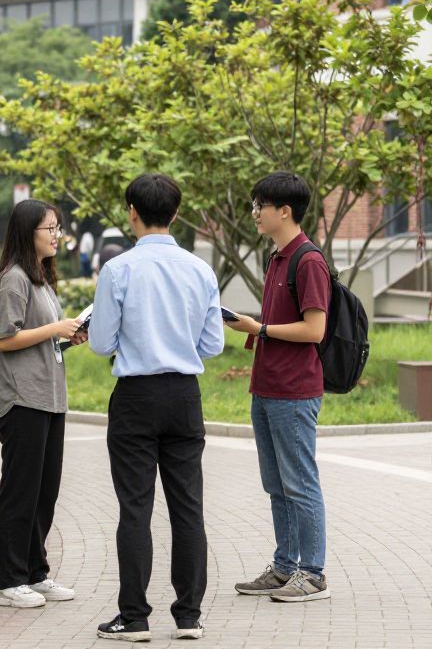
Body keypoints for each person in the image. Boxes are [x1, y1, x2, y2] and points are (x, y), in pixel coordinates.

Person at [89, 174, 224, 642]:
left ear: (132, 211)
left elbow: (102, 340)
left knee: (135, 508)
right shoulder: (200, 269)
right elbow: (213, 344)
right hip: (185, 395)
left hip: (136, 398)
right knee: (188, 508)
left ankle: (135, 617)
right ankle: (189, 616)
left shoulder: (118, 269)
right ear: (177, 212)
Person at [226, 171, 332, 603]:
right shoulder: (277, 258)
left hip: (294, 392)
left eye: (259, 205)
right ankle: (285, 566)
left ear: (283, 211)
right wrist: (255, 327)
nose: (254, 213)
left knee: (300, 482)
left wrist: (260, 328)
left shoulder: (307, 261)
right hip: (267, 389)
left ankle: (313, 573)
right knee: (277, 484)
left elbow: (315, 329)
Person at [0, 199, 86, 609]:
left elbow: (41, 336)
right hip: (22, 400)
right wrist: (52, 329)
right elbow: (3, 339)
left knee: (44, 492)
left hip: (49, 398)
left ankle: (35, 572)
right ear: (28, 232)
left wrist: (67, 335)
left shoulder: (41, 278)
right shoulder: (13, 280)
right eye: (50, 228)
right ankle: (8, 581)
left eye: (58, 227)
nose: (56, 235)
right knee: (20, 492)